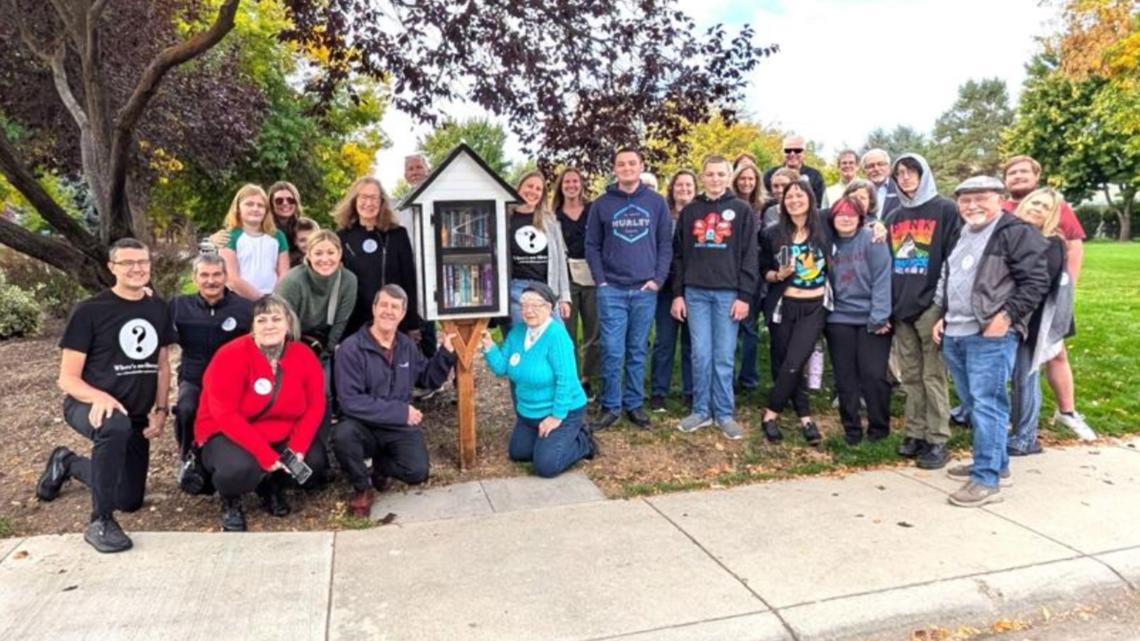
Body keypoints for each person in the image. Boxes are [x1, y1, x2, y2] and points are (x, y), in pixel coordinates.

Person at [36, 238, 175, 553]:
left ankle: (66, 462)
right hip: (88, 406)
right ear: (112, 268)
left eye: (142, 262)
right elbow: (67, 378)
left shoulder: (157, 307)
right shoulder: (90, 311)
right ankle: (100, 521)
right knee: (114, 426)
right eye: (127, 263)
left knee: (129, 499)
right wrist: (97, 396)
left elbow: (163, 365)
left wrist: (161, 409)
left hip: (136, 415)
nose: (137, 268)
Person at [934, 176, 1048, 507]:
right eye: (965, 200)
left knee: (988, 405)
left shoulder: (1014, 232)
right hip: (956, 330)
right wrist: (943, 315)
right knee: (974, 404)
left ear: (999, 198)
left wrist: (1007, 317)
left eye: (980, 198)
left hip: (989, 334)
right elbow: (954, 278)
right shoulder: (963, 232)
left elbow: (1037, 280)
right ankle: (998, 464)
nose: (972, 206)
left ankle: (986, 480)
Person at [195, 294, 330, 531]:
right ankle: (231, 499)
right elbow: (225, 414)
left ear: (288, 324)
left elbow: (315, 405)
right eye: (262, 320)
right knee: (238, 469)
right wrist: (265, 455)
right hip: (229, 433)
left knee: (313, 463)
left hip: (280, 431)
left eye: (276, 319)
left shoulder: (303, 355)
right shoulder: (230, 355)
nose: (269, 325)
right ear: (253, 326)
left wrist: (298, 447)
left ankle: (272, 486)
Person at [333, 285, 457, 516]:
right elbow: (350, 401)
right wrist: (401, 412)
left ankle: (380, 467)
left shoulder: (406, 346)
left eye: (395, 307)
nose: (388, 312)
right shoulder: (351, 348)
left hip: (396, 426)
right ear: (374, 308)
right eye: (384, 305)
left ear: (402, 314)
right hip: (363, 424)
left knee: (417, 472)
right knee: (343, 435)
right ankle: (362, 488)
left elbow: (427, 378)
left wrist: (446, 353)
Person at [1001, 155, 1094, 441]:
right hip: (1009, 305)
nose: (1017, 176)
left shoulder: (1056, 213)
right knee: (1016, 367)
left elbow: (1073, 250)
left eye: (1023, 171)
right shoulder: (1003, 211)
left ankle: (1063, 413)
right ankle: (1010, 421)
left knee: (1048, 356)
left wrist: (1066, 290)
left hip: (1042, 304)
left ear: (1036, 174)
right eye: (1012, 172)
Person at [585, 147, 673, 431]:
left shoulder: (656, 202)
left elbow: (665, 244)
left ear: (640, 166)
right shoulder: (602, 204)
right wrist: (601, 280)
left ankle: (634, 404)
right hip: (612, 289)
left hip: (645, 289)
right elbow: (592, 245)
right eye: (621, 164)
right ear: (615, 169)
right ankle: (611, 406)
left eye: (632, 163)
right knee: (612, 350)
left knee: (637, 350)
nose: (626, 168)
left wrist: (658, 280)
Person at [670, 155, 758, 439]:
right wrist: (678, 295)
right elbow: (679, 256)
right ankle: (701, 411)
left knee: (723, 355)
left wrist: (744, 295)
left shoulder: (741, 210)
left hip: (728, 294)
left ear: (729, 176)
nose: (715, 179)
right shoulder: (690, 211)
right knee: (700, 354)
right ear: (702, 176)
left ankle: (724, 412)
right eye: (710, 174)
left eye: (721, 174)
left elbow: (749, 256)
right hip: (695, 293)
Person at [886, 153, 960, 470]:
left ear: (923, 173)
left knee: (933, 375)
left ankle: (937, 438)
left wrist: (942, 306)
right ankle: (915, 432)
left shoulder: (945, 210)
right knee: (911, 376)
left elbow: (953, 259)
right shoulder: (894, 216)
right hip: (901, 307)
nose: (905, 177)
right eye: (899, 173)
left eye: (911, 172)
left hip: (931, 305)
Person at [481, 283, 597, 477]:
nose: (529, 310)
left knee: (546, 466)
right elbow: (502, 368)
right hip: (528, 413)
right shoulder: (517, 332)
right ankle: (546, 440)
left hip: (563, 410)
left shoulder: (557, 336)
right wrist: (489, 347)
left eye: (536, 305)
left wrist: (556, 417)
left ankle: (583, 441)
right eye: (524, 305)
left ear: (549, 308)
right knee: (519, 453)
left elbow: (566, 381)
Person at [757, 181, 829, 445]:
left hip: (814, 307)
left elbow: (853, 217)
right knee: (785, 361)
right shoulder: (772, 233)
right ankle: (805, 416)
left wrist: (875, 226)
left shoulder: (824, 227)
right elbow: (762, 268)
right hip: (782, 306)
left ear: (810, 199)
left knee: (795, 361)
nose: (794, 200)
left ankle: (770, 413)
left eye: (800, 195)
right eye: (789, 196)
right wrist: (777, 274)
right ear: (782, 202)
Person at [169, 254, 253, 463]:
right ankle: (187, 456)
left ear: (226, 277)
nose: (211, 281)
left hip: (233, 379)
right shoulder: (178, 305)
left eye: (217, 274)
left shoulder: (245, 308)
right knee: (186, 409)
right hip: (194, 376)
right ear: (194, 278)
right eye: (204, 275)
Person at [1007, 188, 1073, 456]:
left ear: (1052, 214)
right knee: (1013, 376)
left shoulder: (1052, 243)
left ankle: (1025, 437)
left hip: (1032, 320)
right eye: (1035, 202)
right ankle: (1016, 428)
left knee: (1025, 376)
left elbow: (1039, 286)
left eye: (1045, 207)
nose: (1037, 208)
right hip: (1009, 315)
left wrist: (1013, 315)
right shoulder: (1012, 233)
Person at [824, 197, 893, 445]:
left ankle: (879, 427)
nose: (846, 218)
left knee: (873, 374)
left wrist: (879, 317)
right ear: (832, 217)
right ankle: (851, 429)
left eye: (852, 214)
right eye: (841, 214)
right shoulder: (827, 241)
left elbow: (883, 279)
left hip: (872, 318)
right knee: (845, 377)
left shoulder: (873, 239)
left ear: (861, 218)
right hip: (838, 318)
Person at [336, 177, 421, 340]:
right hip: (355, 323)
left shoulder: (398, 235)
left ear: (382, 202)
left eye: (374, 198)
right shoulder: (342, 237)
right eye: (363, 197)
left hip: (392, 320)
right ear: (354, 201)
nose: (369, 203)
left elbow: (409, 280)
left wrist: (413, 324)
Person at [649, 170, 696, 411]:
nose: (684, 190)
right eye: (680, 185)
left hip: (694, 286)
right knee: (664, 342)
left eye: (689, 186)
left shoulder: (701, 215)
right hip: (666, 287)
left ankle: (690, 392)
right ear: (672, 188)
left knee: (691, 344)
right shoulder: (661, 214)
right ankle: (658, 392)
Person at [554, 167, 601, 398]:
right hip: (566, 278)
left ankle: (587, 378)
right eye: (567, 182)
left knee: (594, 331)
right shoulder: (554, 214)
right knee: (567, 332)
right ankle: (570, 378)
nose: (571, 185)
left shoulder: (593, 210)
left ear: (581, 184)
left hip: (592, 275)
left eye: (575, 181)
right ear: (561, 186)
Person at [276, 230, 359, 361]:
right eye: (318, 253)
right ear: (308, 255)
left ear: (340, 254)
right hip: (291, 342)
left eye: (331, 253)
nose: (325, 259)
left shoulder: (348, 280)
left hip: (323, 343)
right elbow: (280, 322)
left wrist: (327, 353)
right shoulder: (292, 281)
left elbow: (341, 322)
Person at [507, 170, 572, 327]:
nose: (533, 192)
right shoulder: (505, 218)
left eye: (538, 189)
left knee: (559, 339)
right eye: (529, 186)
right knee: (523, 340)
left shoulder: (549, 220)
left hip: (546, 289)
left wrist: (564, 297)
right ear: (519, 188)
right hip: (517, 290)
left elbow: (560, 261)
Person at [219, 184, 290, 300]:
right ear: (238, 208)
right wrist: (258, 298)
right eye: (249, 204)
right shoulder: (229, 236)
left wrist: (274, 298)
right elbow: (231, 277)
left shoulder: (277, 236)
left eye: (260, 205)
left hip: (273, 298)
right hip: (238, 298)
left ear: (266, 211)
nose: (255, 209)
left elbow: (284, 273)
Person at [733, 162, 767, 392]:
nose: (746, 183)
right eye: (742, 178)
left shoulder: (763, 207)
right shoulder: (729, 205)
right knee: (730, 329)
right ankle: (730, 375)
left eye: (751, 179)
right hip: (729, 271)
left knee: (749, 328)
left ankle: (748, 377)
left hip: (754, 272)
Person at [404, 154, 438, 358]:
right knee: (419, 321)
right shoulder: (402, 205)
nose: (415, 172)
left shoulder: (437, 198)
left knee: (435, 319)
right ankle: (423, 367)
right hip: (412, 268)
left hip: (437, 268)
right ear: (405, 175)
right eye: (411, 169)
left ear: (428, 170)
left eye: (419, 167)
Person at [763, 134, 826, 205]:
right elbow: (765, 200)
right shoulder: (770, 174)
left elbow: (818, 203)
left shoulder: (815, 176)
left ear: (804, 153)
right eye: (788, 150)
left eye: (797, 150)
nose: (792, 153)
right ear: (782, 152)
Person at [267, 181, 306, 266]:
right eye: (279, 201)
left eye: (290, 200)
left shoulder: (304, 227)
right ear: (271, 204)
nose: (285, 203)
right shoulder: (264, 229)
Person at [861, 148, 900, 220]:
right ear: (864, 171)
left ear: (889, 167)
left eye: (880, 164)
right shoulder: (858, 193)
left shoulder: (901, 189)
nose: (876, 169)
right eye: (870, 166)